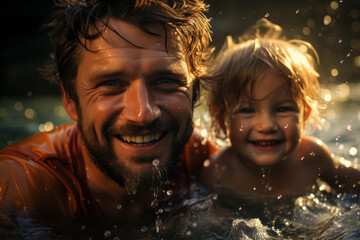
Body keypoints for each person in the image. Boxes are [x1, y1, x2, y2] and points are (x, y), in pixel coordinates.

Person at [0, 0, 216, 223]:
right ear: (69, 99)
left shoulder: (207, 162)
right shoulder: (21, 188)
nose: (143, 114)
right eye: (111, 84)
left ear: (195, 92)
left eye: (165, 81)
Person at [200, 18, 360, 196]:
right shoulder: (218, 173)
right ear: (221, 119)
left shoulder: (313, 158)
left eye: (282, 109)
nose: (266, 125)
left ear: (304, 114)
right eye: (247, 110)